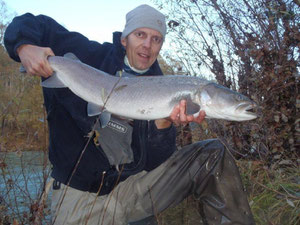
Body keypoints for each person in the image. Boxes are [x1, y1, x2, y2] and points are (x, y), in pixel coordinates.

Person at [4, 4, 255, 225]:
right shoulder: (88, 54)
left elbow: (155, 164)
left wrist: (165, 123)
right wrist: (24, 47)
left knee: (212, 154)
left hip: (132, 192)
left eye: (156, 39)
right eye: (140, 34)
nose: (147, 44)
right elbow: (32, 23)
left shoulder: (165, 87)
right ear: (125, 39)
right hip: (78, 197)